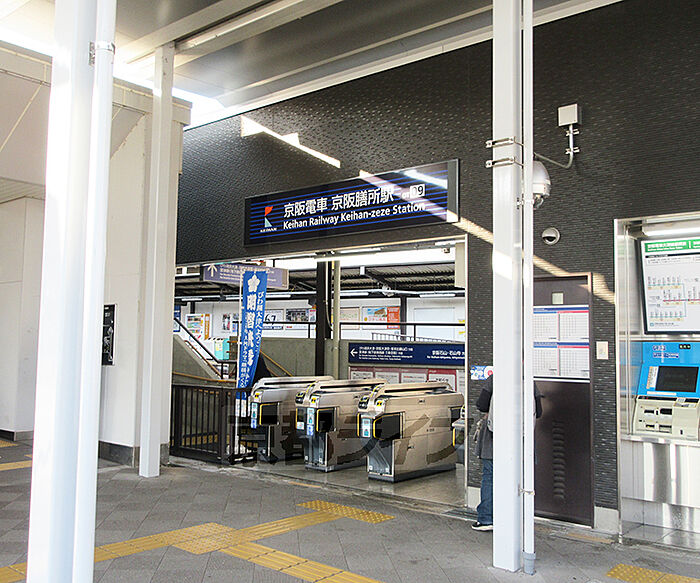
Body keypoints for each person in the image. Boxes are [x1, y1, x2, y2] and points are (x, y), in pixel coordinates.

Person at [472, 374, 542, 531]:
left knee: (490, 477)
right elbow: (539, 412)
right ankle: (515, 518)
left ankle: (486, 519)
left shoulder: (494, 379)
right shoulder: (528, 380)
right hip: (521, 440)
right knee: (518, 477)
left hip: (494, 438)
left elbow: (481, 405)